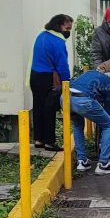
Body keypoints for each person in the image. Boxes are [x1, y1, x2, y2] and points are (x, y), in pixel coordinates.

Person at [29, 14, 73, 151]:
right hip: (48, 78)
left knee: (38, 108)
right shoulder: (58, 42)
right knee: (49, 110)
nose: (68, 31)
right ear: (59, 26)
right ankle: (49, 142)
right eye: (67, 28)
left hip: (35, 76)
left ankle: (38, 140)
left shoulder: (41, 35)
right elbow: (62, 65)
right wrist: (66, 82)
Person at [63, 69, 110, 175]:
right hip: (83, 101)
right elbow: (108, 113)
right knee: (109, 126)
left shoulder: (90, 73)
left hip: (65, 98)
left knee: (78, 125)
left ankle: (82, 161)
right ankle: (104, 164)